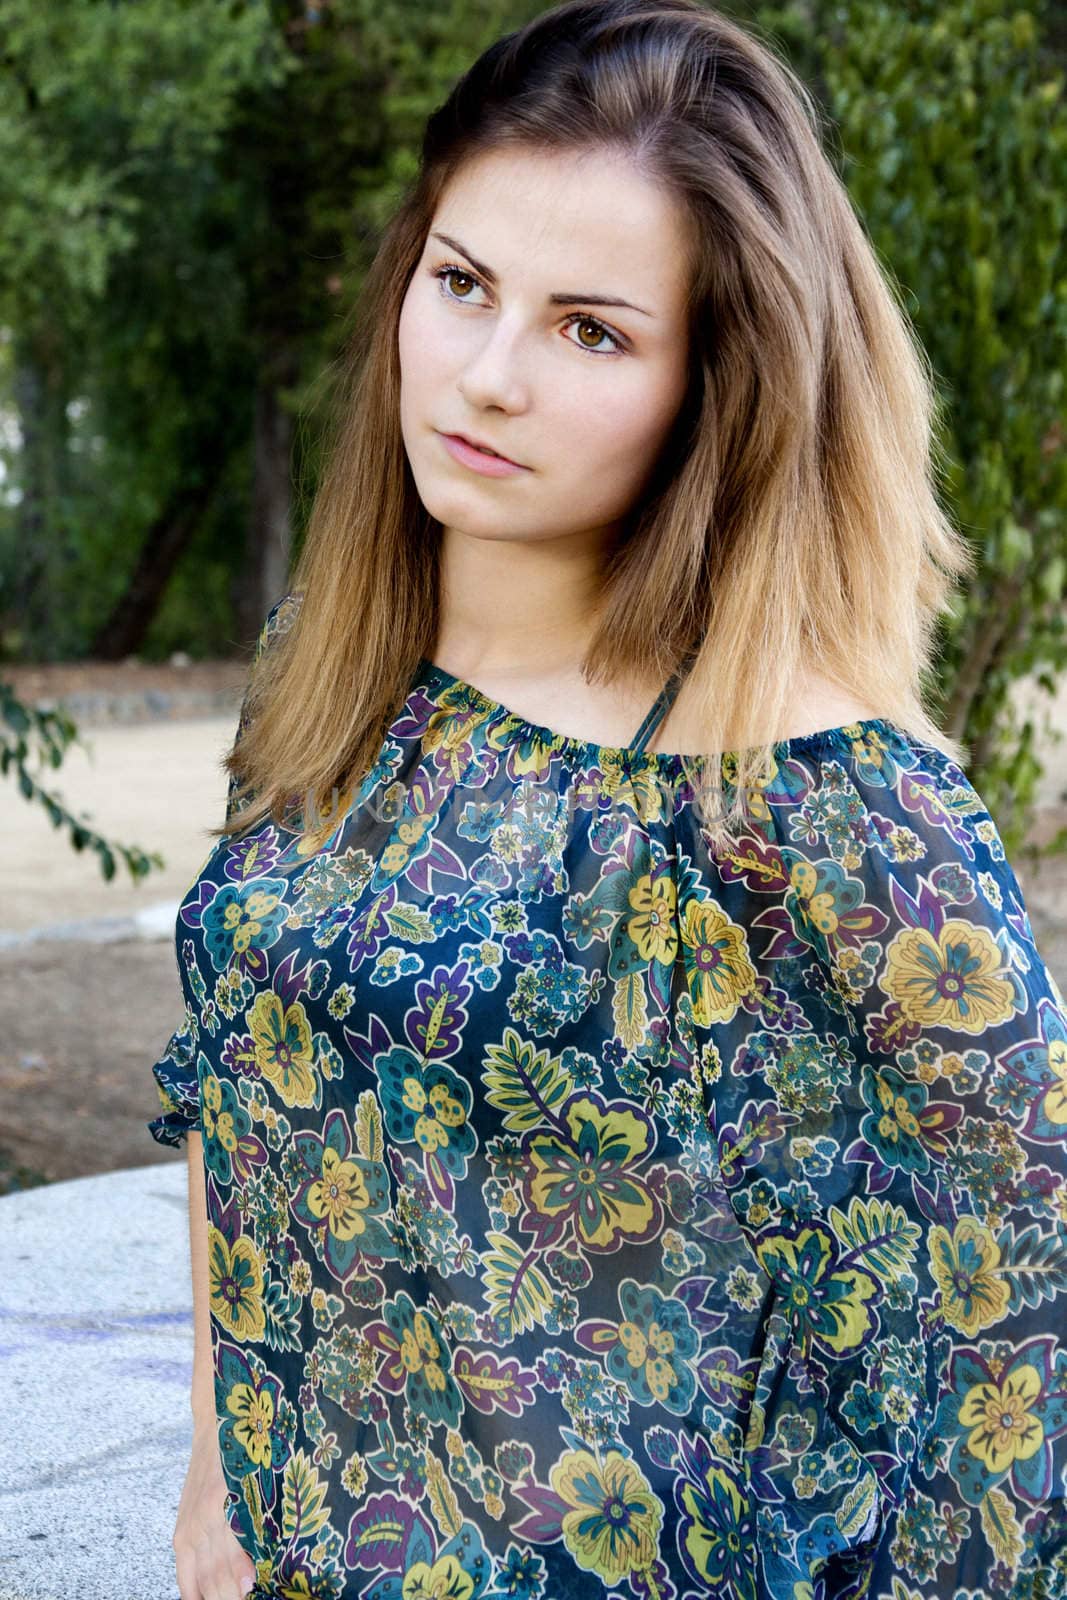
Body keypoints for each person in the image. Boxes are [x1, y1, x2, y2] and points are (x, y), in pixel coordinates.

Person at [146, 0, 1067, 1595]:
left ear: (721, 381)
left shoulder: (822, 794)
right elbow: (244, 1071)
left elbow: (1020, 1325)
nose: (487, 375)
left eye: (591, 330)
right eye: (462, 285)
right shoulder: (329, 666)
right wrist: (222, 1485)